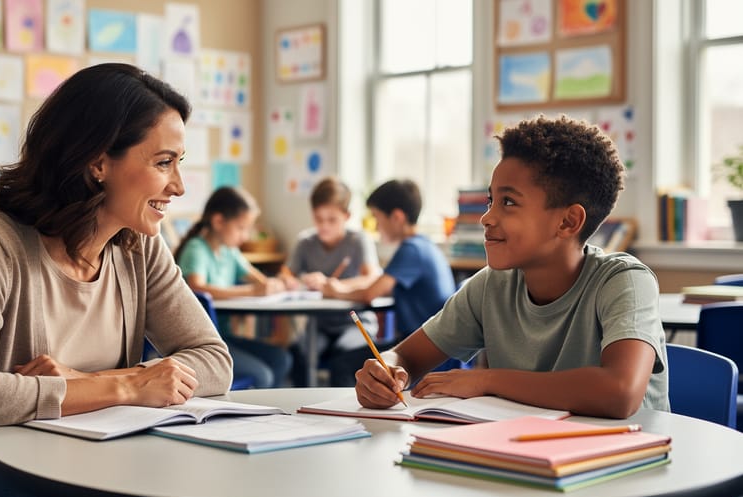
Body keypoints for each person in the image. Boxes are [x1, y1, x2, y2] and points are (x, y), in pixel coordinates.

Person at [0, 64, 233, 497]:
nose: (179, 186)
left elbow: (214, 361)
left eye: (179, 163)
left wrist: (87, 381)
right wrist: (128, 387)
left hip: (80, 461)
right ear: (98, 162)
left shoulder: (139, 245)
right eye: (163, 162)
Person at [354, 115, 669, 419]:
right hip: (529, 449)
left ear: (568, 221)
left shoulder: (624, 281)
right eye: (491, 201)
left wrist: (487, 380)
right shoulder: (492, 285)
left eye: (508, 202)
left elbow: (620, 391)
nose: (486, 217)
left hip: (630, 451)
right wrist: (386, 371)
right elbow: (407, 356)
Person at [321, 178, 457, 384]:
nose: (376, 226)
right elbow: (381, 285)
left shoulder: (411, 249)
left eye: (377, 217)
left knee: (342, 363)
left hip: (425, 351)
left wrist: (336, 291)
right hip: (436, 348)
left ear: (397, 217)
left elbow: (371, 293)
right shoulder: (424, 246)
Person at [175, 186, 293, 388]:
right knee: (263, 375)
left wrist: (278, 283)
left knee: (281, 359)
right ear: (218, 221)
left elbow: (259, 281)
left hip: (224, 338)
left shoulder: (230, 251)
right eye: (241, 228)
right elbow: (197, 287)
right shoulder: (196, 249)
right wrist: (252, 291)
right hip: (201, 343)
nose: (245, 237)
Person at [278, 177, 382, 386]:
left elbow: (372, 278)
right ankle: (305, 404)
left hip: (356, 323)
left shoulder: (358, 240)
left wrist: (335, 286)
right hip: (319, 325)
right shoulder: (305, 242)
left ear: (347, 216)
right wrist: (297, 280)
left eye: (332, 220)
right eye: (318, 219)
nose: (324, 226)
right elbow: (286, 275)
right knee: (299, 354)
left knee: (344, 356)